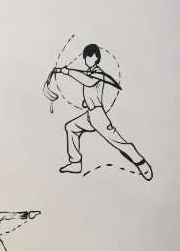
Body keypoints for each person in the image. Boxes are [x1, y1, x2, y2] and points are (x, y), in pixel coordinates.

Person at [53, 44, 152, 180]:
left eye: (91, 57)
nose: (88, 59)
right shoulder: (89, 73)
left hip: (98, 116)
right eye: (86, 57)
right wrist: (86, 101)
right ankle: (75, 163)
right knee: (71, 127)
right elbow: (91, 90)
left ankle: (141, 163)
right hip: (89, 114)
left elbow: (88, 82)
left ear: (96, 58)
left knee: (119, 142)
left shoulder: (98, 74)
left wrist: (67, 72)